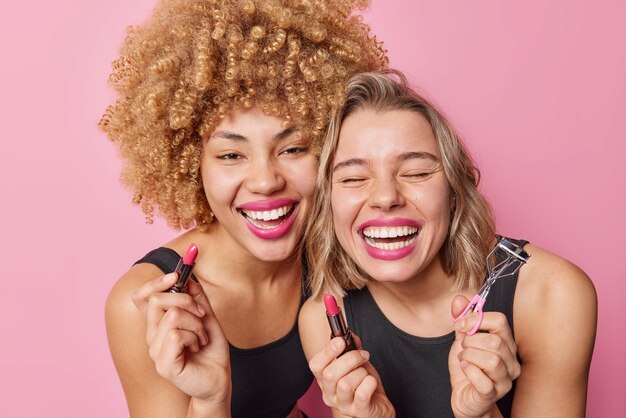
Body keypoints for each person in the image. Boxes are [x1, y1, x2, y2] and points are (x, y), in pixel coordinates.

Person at [101, 1, 387, 417]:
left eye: (292, 148)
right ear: (189, 162)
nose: (266, 180)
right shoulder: (145, 306)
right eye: (232, 155)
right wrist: (211, 400)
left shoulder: (329, 256)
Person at [299, 71, 597, 418]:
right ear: (328, 204)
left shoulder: (553, 295)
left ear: (454, 190)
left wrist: (481, 413)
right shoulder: (327, 321)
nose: (385, 197)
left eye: (416, 172)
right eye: (353, 178)